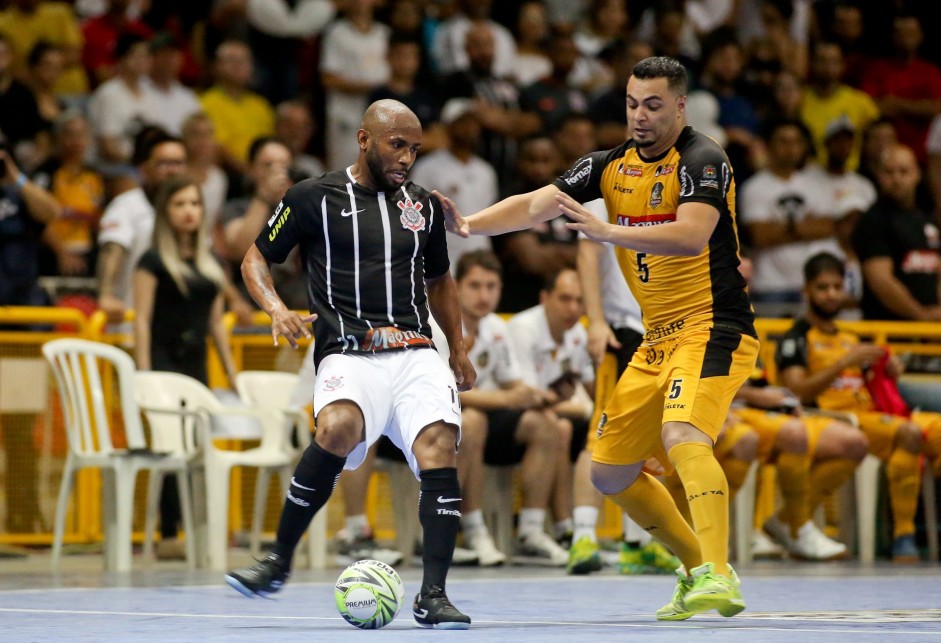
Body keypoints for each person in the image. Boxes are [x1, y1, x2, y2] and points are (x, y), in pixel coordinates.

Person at [438, 56, 757, 620]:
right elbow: (538, 204)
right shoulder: (608, 166)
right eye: (633, 103)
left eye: (653, 105)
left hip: (715, 323)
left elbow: (691, 236)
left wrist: (609, 230)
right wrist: (470, 225)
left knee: (683, 433)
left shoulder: (704, 159)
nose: (640, 115)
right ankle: (693, 569)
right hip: (658, 335)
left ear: (680, 106)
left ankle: (718, 572)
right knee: (608, 471)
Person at [225, 99, 476, 630]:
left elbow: (439, 280)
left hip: (414, 352)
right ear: (364, 140)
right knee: (336, 427)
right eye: (397, 145)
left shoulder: (425, 207)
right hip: (348, 350)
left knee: (439, 445)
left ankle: (433, 594)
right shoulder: (311, 196)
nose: (407, 157)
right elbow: (254, 258)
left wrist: (457, 347)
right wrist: (274, 307)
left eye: (415, 148)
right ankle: (277, 560)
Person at [776, 251, 941, 562]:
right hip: (830, 418)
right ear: (806, 291)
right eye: (823, 287)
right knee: (907, 433)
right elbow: (796, 390)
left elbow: (872, 384)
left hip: (871, 416)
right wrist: (843, 364)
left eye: (838, 287)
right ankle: (903, 537)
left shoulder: (852, 338)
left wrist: (888, 371)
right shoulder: (796, 337)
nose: (831, 294)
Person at [437, 249, 567, 566]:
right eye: (475, 286)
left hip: (482, 420)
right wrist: (510, 399)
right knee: (473, 421)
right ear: (456, 286)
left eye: (492, 287)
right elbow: (444, 391)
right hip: (434, 420)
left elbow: (513, 384)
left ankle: (531, 533)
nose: (484, 295)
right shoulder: (437, 323)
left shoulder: (496, 327)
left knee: (547, 424)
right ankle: (468, 530)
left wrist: (535, 395)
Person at [571, 198, 678, 576]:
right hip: (622, 331)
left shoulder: (677, 194)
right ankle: (583, 536)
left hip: (665, 331)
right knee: (599, 436)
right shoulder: (606, 196)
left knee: (648, 439)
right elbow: (587, 256)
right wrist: (596, 321)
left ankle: (639, 542)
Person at [133, 176, 238, 558]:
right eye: (179, 204)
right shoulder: (152, 262)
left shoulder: (210, 264)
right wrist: (144, 376)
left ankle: (198, 528)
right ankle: (168, 532)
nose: (189, 211)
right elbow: (141, 320)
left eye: (194, 203)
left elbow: (216, 325)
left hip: (196, 365)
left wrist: (231, 374)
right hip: (163, 362)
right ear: (165, 213)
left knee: (196, 448)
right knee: (170, 448)